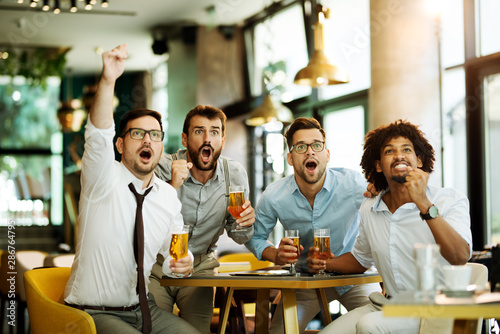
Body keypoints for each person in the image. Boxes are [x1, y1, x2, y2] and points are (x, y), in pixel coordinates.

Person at [64, 44, 200, 334]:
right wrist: (109, 79)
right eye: (138, 134)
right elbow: (98, 134)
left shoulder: (167, 197)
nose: (147, 141)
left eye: (155, 135)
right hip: (93, 313)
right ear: (120, 144)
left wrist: (183, 263)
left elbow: (173, 257)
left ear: (162, 146)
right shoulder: (102, 178)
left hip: (143, 309)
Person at [315, 119, 472, 334]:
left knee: (369, 326)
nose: (399, 155)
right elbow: (361, 260)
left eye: (406, 149)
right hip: (387, 305)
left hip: (438, 308)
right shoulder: (370, 207)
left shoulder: (448, 199)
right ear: (379, 165)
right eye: (390, 151)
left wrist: (424, 203)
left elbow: (460, 255)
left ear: (418, 160)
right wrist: (324, 263)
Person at [245, 117, 381, 334]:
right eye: (301, 147)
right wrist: (275, 255)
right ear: (290, 158)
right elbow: (254, 237)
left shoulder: (353, 184)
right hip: (304, 280)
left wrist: (379, 192)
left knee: (380, 327)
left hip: (354, 278)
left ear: (327, 154)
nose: (310, 152)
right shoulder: (274, 195)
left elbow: (386, 205)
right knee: (279, 332)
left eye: (317, 145)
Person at [149, 105, 256, 333]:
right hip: (155, 267)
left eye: (214, 132)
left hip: (200, 268)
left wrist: (245, 222)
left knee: (196, 330)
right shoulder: (162, 168)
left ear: (223, 140)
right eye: (199, 131)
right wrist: (170, 187)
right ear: (185, 139)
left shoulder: (234, 174)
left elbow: (239, 236)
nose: (207, 138)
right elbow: (143, 220)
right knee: (155, 329)